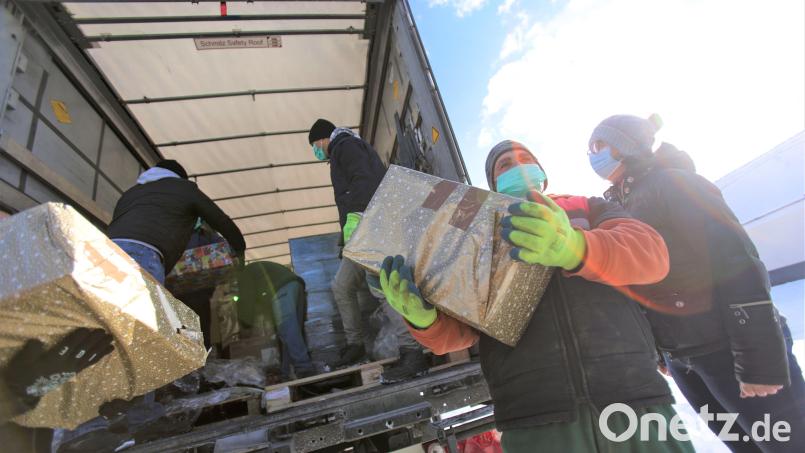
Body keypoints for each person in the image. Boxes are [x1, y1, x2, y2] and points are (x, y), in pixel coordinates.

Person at [378, 140, 695, 452]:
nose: (517, 166)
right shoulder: (476, 236)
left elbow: (653, 255)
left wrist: (574, 246)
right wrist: (425, 320)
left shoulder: (588, 207)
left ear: (542, 172)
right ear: (494, 185)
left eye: (524, 158)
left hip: (635, 399)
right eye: (505, 165)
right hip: (534, 418)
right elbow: (461, 332)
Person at [587, 114, 805, 452]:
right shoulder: (621, 208)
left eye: (599, 145)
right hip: (687, 359)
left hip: (730, 348)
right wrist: (662, 350)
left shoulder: (676, 184)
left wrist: (758, 359)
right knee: (746, 446)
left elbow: (736, 262)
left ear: (626, 145)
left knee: (789, 444)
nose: (592, 155)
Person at [307, 119, 427, 382]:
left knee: (382, 288)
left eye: (315, 145)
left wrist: (356, 215)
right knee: (342, 285)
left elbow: (365, 179)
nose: (316, 151)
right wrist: (347, 237)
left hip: (372, 226)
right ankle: (356, 344)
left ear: (323, 139)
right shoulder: (340, 151)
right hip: (360, 232)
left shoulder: (346, 146)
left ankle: (413, 351)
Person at [108, 160, 246, 284]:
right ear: (180, 178)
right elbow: (220, 220)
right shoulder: (184, 189)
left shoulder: (131, 193)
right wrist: (239, 249)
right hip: (145, 254)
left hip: (108, 250)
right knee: (139, 309)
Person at [235, 261, 316, 379]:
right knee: (291, 333)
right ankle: (286, 371)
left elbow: (246, 300)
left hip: (282, 289)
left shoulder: (245, 274)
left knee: (288, 330)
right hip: (296, 285)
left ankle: (304, 368)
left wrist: (246, 325)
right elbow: (265, 306)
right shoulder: (258, 274)